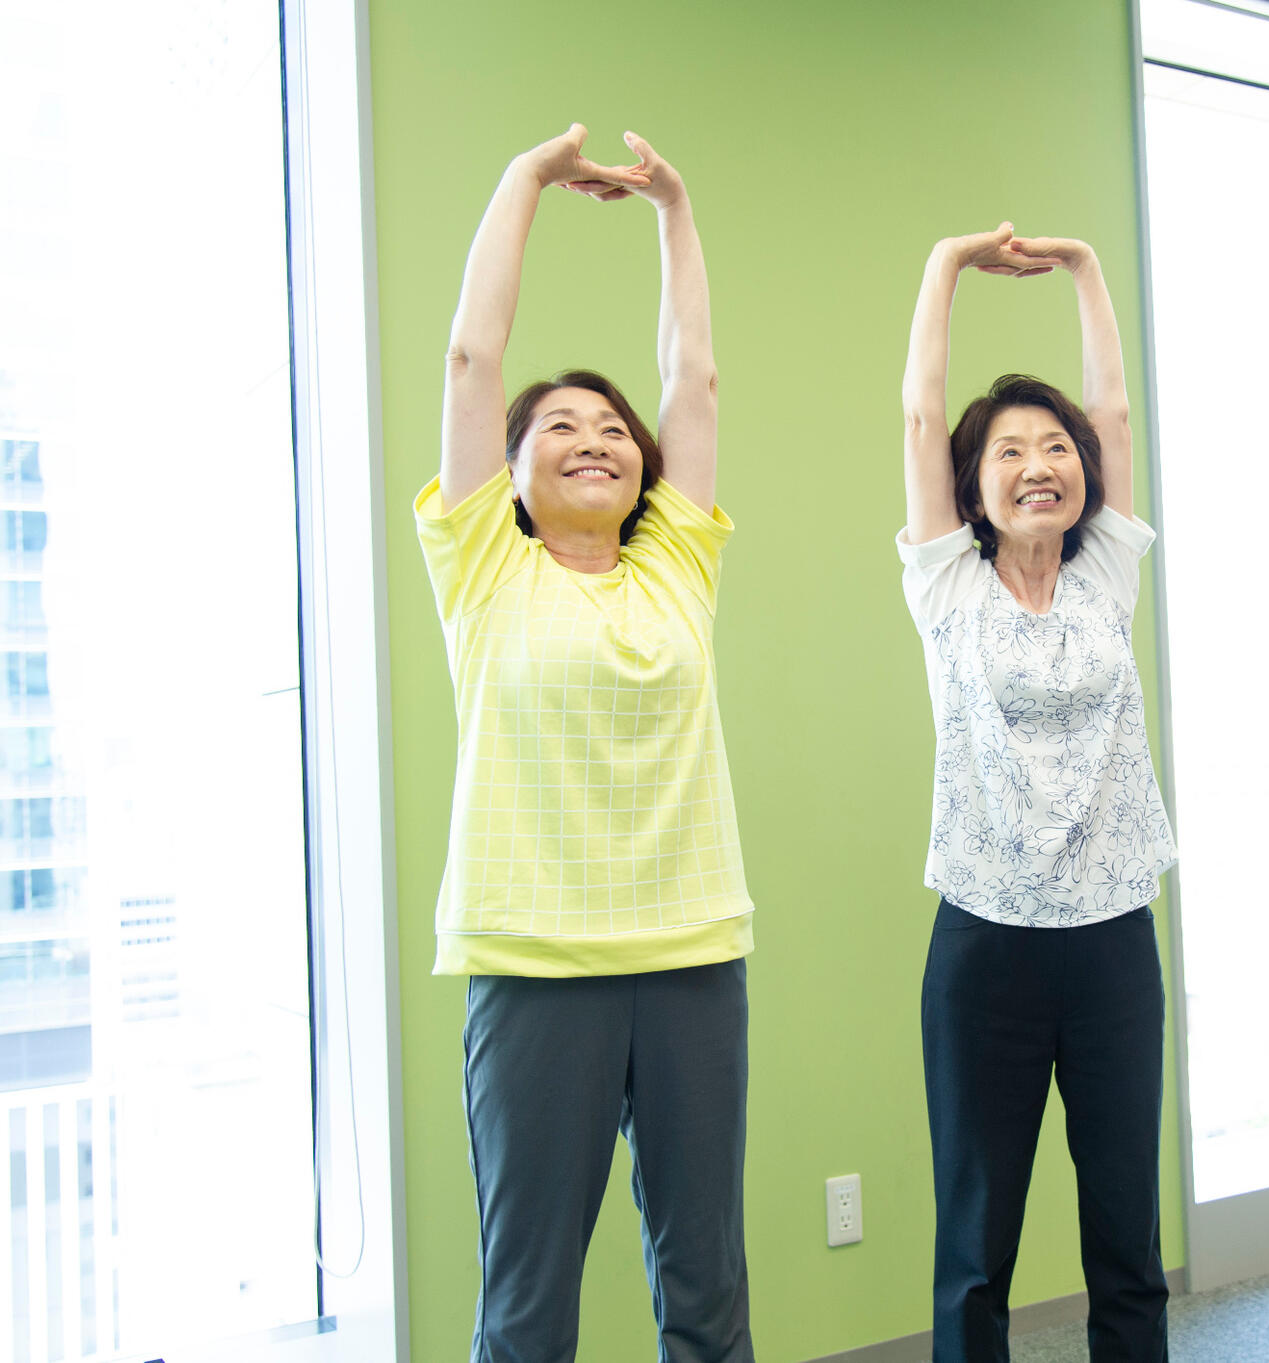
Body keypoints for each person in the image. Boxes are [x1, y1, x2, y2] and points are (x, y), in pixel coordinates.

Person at [415, 123, 755, 1363]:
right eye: (559, 426)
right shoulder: (482, 571)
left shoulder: (677, 566)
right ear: (507, 476)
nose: (596, 437)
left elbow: (696, 381)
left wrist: (673, 205)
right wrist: (526, 180)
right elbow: (468, 354)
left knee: (706, 1282)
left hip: (688, 957)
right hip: (534, 965)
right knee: (526, 1305)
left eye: (611, 426)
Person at [898, 223, 1177, 1363]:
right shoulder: (946, 586)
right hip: (985, 950)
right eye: (1008, 450)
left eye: (1053, 447)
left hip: (1112, 941)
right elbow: (919, 418)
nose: (1038, 465)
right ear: (972, 481)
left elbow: (1113, 412)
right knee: (976, 1244)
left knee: (1124, 1233)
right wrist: (943, 268)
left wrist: (1084, 271)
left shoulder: (1105, 568)